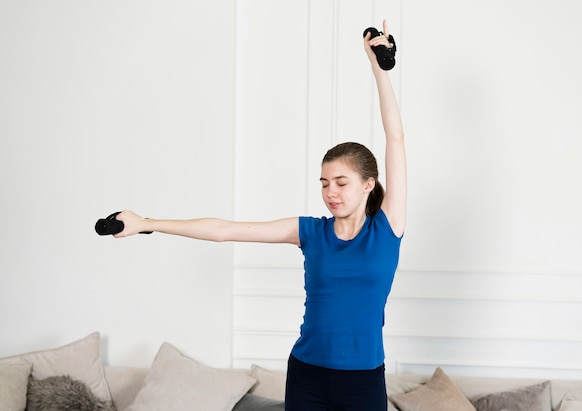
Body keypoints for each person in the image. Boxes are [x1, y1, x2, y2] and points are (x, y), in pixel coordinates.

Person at [114, 20, 405, 411]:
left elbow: (395, 139)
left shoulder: (387, 229)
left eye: (341, 182)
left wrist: (378, 68)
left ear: (369, 184)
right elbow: (223, 231)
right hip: (307, 375)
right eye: (323, 183)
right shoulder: (310, 233)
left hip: (363, 382)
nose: (330, 192)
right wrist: (145, 223)